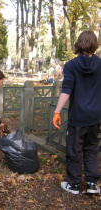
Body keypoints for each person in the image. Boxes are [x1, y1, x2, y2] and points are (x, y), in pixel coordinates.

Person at [53, 30, 101, 195]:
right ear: (94, 45)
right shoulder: (100, 64)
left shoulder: (72, 65)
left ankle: (73, 184)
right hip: (95, 116)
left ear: (79, 44)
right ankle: (92, 184)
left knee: (74, 148)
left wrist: (57, 111)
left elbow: (66, 90)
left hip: (78, 116)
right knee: (91, 148)